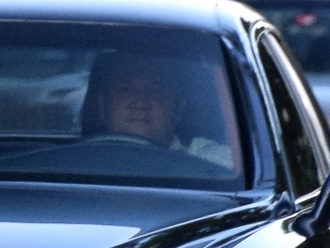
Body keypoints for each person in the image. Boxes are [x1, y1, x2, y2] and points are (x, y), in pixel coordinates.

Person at [84, 52, 234, 170]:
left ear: (178, 109)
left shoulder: (211, 163)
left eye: (155, 91)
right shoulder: (75, 163)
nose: (140, 102)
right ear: (103, 105)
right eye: (126, 90)